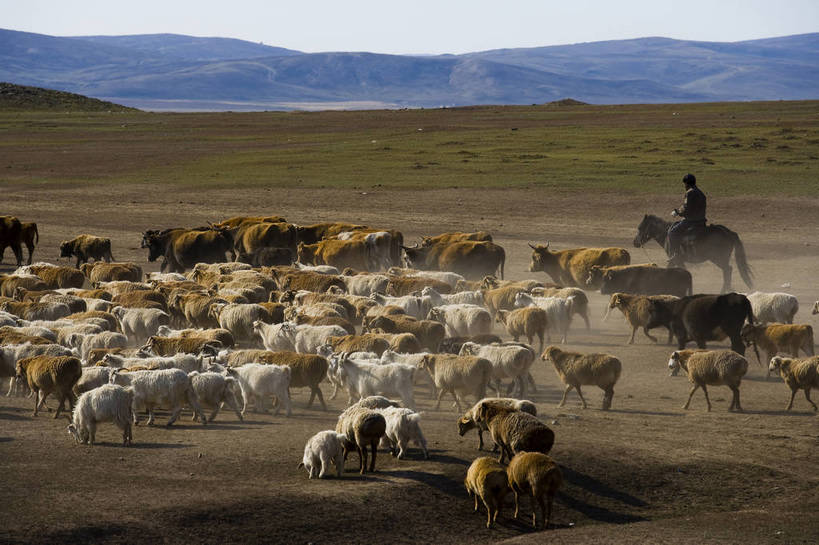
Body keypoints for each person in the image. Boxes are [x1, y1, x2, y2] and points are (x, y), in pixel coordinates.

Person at [667, 173, 706, 265]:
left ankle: (676, 254)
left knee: (672, 233)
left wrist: (677, 212)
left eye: (684, 184)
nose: (684, 186)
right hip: (701, 221)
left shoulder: (690, 193)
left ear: (687, 183)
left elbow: (687, 208)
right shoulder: (701, 193)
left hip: (691, 221)